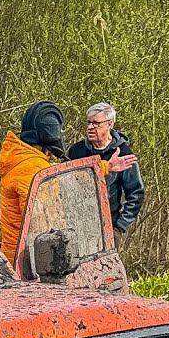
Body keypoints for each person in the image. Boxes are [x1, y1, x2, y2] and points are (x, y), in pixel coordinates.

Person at [0, 101, 136, 265]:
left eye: (96, 123)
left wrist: (106, 167)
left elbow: (63, 175)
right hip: (26, 264)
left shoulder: (22, 159)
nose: (91, 127)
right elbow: (45, 226)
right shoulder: (34, 169)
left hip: (18, 256)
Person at [68, 102, 146, 240]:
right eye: (89, 123)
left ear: (110, 124)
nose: (90, 127)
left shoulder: (123, 154)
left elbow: (136, 193)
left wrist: (119, 227)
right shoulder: (76, 151)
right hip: (77, 228)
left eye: (96, 123)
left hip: (108, 228)